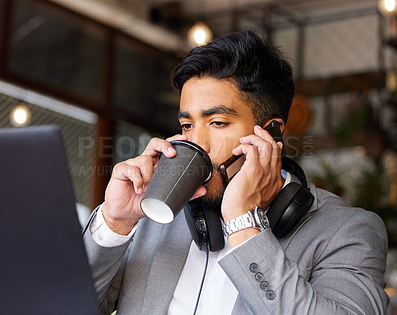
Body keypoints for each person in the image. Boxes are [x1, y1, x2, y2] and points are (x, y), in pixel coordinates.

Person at [83, 30, 389, 314]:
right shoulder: (155, 214)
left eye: (217, 123)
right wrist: (114, 224)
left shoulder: (347, 232)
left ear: (271, 132)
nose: (196, 142)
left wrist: (244, 225)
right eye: (187, 125)